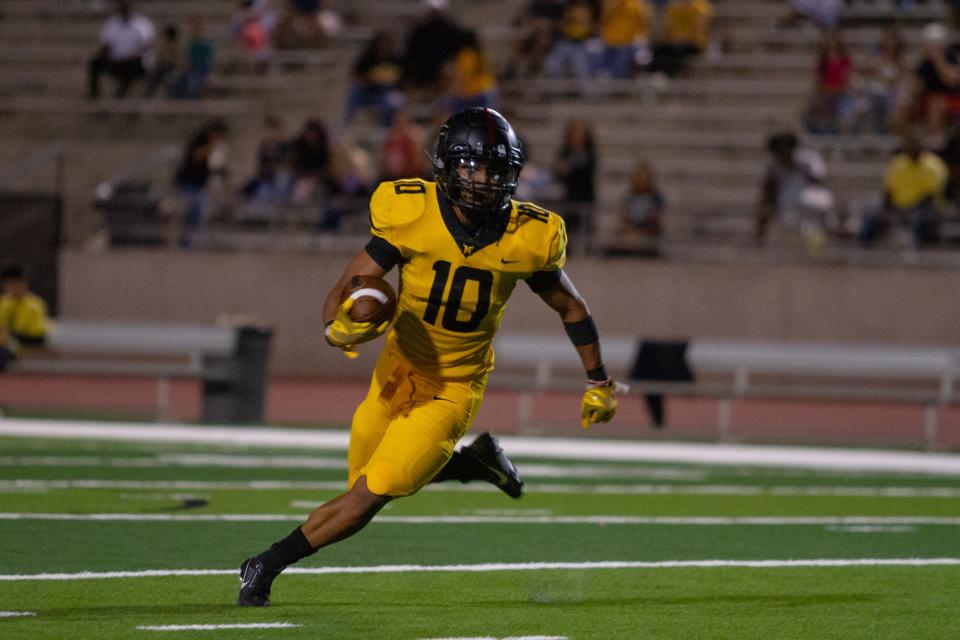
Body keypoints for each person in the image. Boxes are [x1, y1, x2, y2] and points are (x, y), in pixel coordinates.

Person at [237, 107, 625, 607]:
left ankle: (264, 565)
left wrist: (599, 381)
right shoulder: (410, 213)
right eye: (471, 166)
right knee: (368, 477)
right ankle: (475, 465)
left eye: (494, 168)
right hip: (396, 371)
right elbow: (343, 293)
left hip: (453, 386)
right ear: (446, 167)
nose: (482, 180)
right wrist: (340, 329)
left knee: (367, 498)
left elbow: (571, 305)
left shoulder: (530, 236)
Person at [860, 132, 947, 248]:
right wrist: (894, 208)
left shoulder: (933, 165)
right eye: (910, 145)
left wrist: (907, 210)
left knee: (920, 219)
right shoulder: (898, 163)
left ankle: (916, 255)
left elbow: (929, 197)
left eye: (915, 145)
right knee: (871, 215)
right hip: (897, 207)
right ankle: (866, 253)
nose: (912, 148)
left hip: (924, 208)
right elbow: (888, 192)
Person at [174, 120, 229, 248]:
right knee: (189, 215)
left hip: (200, 185)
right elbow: (196, 156)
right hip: (188, 184)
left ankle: (193, 245)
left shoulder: (214, 145)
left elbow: (218, 168)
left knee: (198, 217)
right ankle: (187, 244)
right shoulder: (200, 138)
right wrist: (211, 147)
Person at [87, 0, 156, 99]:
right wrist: (109, 56)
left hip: (135, 61)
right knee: (95, 62)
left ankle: (121, 92)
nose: (124, 7)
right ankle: (94, 95)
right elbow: (105, 44)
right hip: (115, 60)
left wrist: (132, 55)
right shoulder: (111, 23)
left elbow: (148, 45)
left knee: (131, 64)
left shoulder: (142, 24)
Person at [345, 30, 405, 127]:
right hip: (369, 92)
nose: (383, 46)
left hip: (387, 93)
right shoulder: (367, 59)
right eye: (381, 43)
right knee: (354, 90)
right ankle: (349, 122)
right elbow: (355, 74)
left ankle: (385, 128)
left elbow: (401, 79)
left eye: (386, 44)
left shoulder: (396, 60)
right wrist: (369, 80)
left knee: (393, 102)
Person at [0, 264, 49, 372]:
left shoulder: (35, 305)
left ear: (25, 284)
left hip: (24, 346)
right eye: (11, 284)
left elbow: (37, 334)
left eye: (18, 284)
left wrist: (10, 335)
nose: (14, 287)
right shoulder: (3, 303)